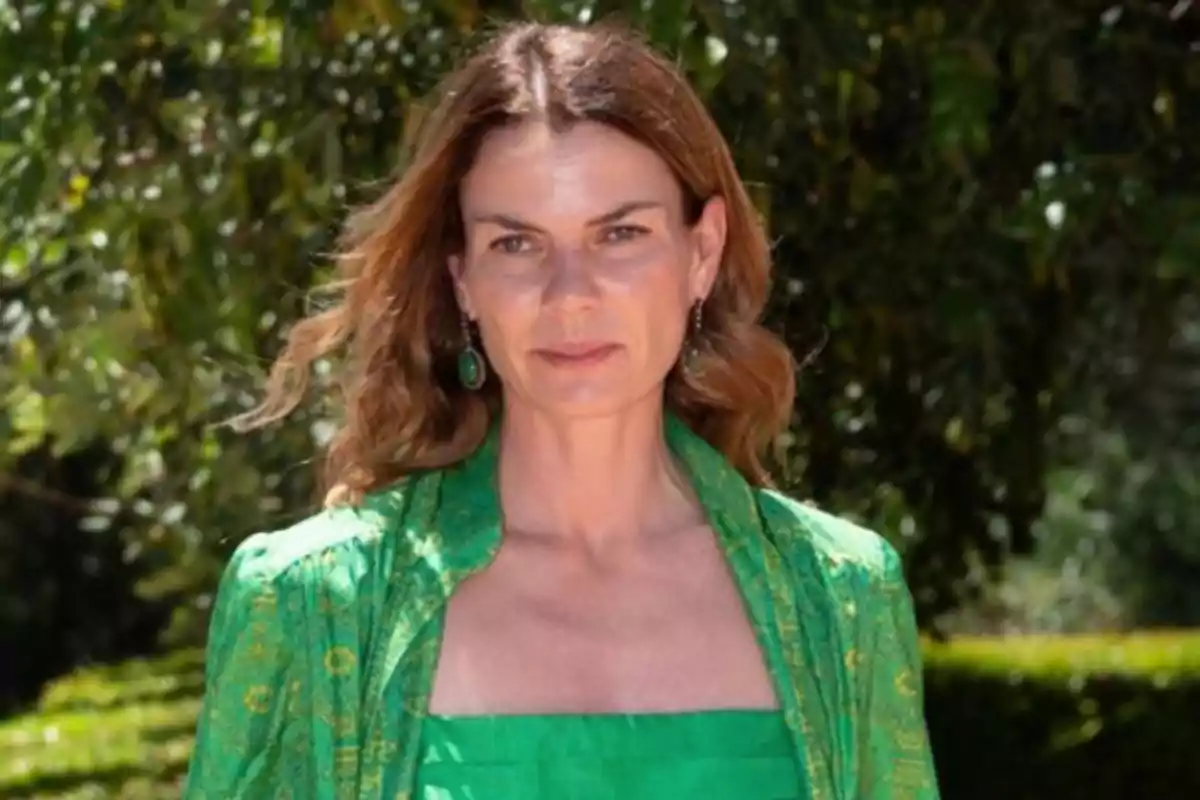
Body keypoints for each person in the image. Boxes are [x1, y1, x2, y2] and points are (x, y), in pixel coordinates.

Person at [183, 20, 939, 800]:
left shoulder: (842, 599)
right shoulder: (317, 604)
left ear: (702, 253)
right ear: (463, 278)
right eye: (517, 244)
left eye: (620, 233)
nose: (570, 293)